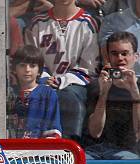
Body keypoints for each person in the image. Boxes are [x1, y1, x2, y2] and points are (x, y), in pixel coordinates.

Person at [24, 0, 100, 141]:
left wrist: (62, 80)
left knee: (68, 97)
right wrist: (45, 78)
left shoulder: (88, 23)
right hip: (42, 80)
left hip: (75, 84)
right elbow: (32, 57)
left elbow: (88, 67)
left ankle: (69, 144)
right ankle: (35, 142)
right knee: (36, 95)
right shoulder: (37, 23)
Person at [85, 31, 140, 159]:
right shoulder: (98, 85)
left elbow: (138, 133)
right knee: (83, 160)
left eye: (125, 53)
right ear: (108, 57)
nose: (120, 58)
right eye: (114, 54)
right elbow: (95, 132)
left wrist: (135, 93)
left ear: (136, 57)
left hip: (129, 151)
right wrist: (103, 94)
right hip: (96, 150)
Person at [8, 45, 62, 138]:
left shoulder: (48, 94)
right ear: (14, 69)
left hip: (38, 148)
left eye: (32, 66)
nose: (27, 69)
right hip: (10, 147)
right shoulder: (8, 92)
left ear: (39, 70)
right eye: (22, 65)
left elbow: (53, 128)